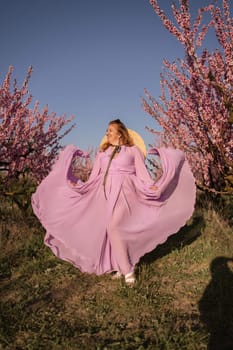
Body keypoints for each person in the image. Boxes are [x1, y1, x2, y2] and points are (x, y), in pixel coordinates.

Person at [31, 119, 196, 285]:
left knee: (114, 227)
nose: (107, 133)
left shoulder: (133, 151)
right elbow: (94, 176)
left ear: (120, 133)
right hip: (105, 193)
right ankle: (119, 266)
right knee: (108, 229)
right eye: (107, 131)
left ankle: (128, 270)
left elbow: (142, 174)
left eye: (110, 130)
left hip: (126, 193)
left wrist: (151, 187)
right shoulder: (102, 153)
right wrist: (78, 184)